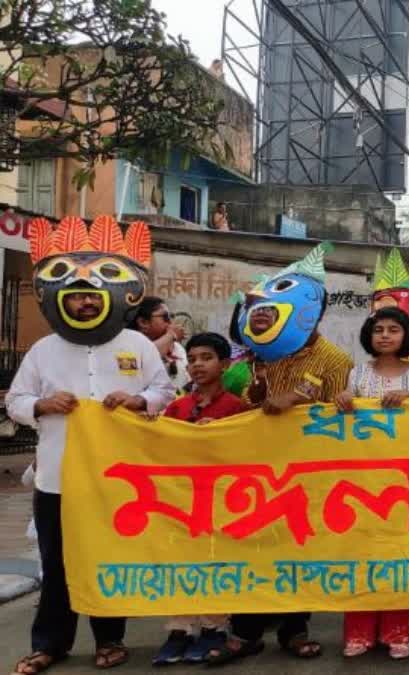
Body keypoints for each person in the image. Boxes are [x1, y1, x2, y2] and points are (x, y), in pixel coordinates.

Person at [6, 215, 175, 674]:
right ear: (60, 298)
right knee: (56, 565)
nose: (83, 300)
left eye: (91, 295)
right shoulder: (43, 350)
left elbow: (165, 393)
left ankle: (110, 640)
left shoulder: (137, 344)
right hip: (56, 478)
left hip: (116, 477)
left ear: (113, 297)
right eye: (76, 294)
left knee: (107, 558)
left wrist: (139, 398)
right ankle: (50, 644)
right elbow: (15, 401)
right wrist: (41, 406)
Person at [209, 242, 352, 666]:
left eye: (272, 310)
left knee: (297, 552)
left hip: (305, 474)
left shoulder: (334, 359)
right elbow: (234, 404)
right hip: (251, 472)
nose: (263, 316)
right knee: (250, 548)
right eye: (259, 312)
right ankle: (245, 632)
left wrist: (302, 400)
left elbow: (337, 416)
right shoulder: (252, 358)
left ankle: (295, 629)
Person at [334, 308, 409, 660]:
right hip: (363, 478)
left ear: (406, 334)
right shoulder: (358, 374)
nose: (385, 336)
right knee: (362, 554)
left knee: (401, 552)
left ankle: (399, 631)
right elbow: (343, 406)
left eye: (393, 329)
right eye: (378, 330)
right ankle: (358, 632)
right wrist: (343, 399)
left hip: (406, 479)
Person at [151, 333, 247, 666]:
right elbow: (160, 450)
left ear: (224, 364)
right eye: (191, 359)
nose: (197, 365)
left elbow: (252, 453)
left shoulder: (237, 408)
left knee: (215, 563)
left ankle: (214, 628)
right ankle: (179, 630)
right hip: (182, 501)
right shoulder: (177, 407)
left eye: (206, 358)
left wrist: (218, 437)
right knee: (180, 563)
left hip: (221, 501)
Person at [129, 297, 188, 392]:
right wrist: (171, 335)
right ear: (143, 323)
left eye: (171, 316)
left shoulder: (177, 347)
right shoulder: (128, 345)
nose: (170, 322)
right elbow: (145, 358)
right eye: (165, 317)